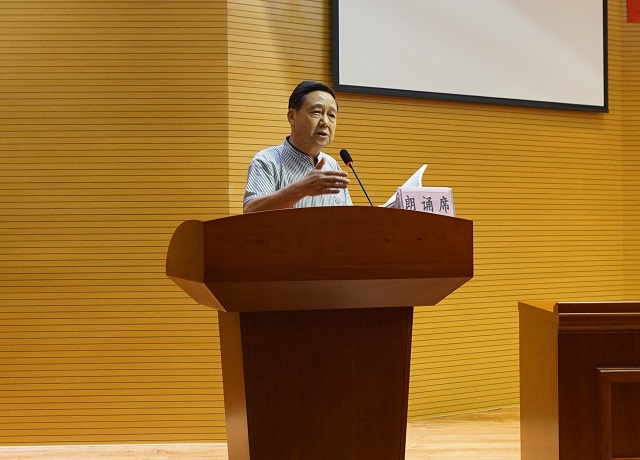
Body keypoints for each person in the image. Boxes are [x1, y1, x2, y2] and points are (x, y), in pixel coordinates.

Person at [243, 80, 352, 213]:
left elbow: (347, 217)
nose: (325, 122)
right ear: (292, 116)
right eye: (317, 112)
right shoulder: (267, 161)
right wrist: (300, 189)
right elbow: (251, 212)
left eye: (331, 115)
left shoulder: (332, 165)